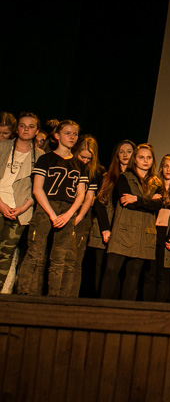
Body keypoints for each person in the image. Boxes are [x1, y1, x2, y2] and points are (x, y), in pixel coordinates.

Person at [16, 120, 88, 296]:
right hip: (46, 208)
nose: (71, 137)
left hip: (67, 211)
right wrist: (52, 214)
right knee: (35, 252)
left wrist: (69, 214)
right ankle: (27, 293)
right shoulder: (46, 159)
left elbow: (81, 194)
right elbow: (37, 189)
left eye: (75, 134)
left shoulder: (80, 164)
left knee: (61, 256)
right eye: (67, 133)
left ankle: (56, 296)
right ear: (57, 136)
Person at [100, 144, 163, 301]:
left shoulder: (157, 183)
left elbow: (157, 205)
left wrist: (137, 199)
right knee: (111, 269)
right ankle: (103, 307)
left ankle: (125, 310)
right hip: (124, 230)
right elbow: (125, 200)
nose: (145, 161)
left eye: (149, 158)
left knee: (134, 273)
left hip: (144, 232)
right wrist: (147, 201)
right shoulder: (124, 177)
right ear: (135, 159)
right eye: (141, 157)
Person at [0, 113, 43, 289]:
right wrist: (1, 204)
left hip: (19, 210)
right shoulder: (3, 146)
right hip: (1, 202)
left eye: (31, 126)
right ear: (17, 128)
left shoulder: (40, 156)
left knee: (6, 253)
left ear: (37, 131)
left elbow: (38, 189)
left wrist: (23, 207)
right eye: (22, 125)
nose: (26, 129)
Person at [88, 140, 135, 296]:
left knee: (119, 271)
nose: (125, 155)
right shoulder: (106, 177)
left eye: (129, 151)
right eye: (121, 152)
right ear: (116, 155)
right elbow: (99, 204)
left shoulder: (137, 180)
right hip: (105, 227)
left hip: (125, 231)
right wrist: (105, 229)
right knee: (100, 269)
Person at [143, 154, 170, 302]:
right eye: (166, 166)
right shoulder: (153, 187)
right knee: (149, 274)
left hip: (168, 233)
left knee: (163, 275)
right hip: (152, 232)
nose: (168, 170)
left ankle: (159, 309)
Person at [70, 135, 104, 297]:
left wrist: (87, 202)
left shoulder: (98, 171)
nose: (84, 161)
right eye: (82, 157)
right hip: (65, 210)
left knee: (76, 259)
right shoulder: (69, 165)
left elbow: (99, 198)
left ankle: (71, 296)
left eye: (88, 158)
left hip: (85, 216)